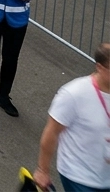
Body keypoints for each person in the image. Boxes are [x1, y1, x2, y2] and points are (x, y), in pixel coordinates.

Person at [32, 43, 110, 192]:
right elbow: (52, 131)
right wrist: (43, 170)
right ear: (99, 67)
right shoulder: (73, 94)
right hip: (79, 177)